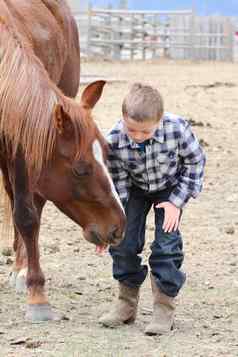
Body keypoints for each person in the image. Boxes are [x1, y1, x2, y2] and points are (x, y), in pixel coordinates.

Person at [99, 83, 206, 335]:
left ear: (159, 121)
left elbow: (195, 162)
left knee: (166, 245)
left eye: (145, 132)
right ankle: (126, 303)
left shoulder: (177, 129)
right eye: (131, 129)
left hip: (169, 188)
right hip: (134, 190)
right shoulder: (114, 138)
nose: (136, 136)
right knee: (122, 242)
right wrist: (115, 222)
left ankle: (163, 307)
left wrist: (176, 202)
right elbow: (117, 181)